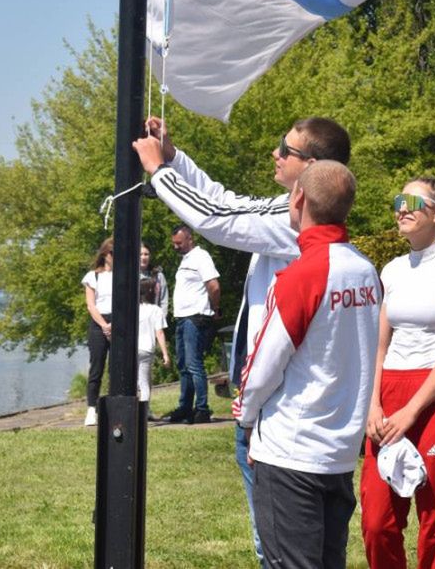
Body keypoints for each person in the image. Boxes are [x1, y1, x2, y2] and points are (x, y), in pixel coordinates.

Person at [132, 115, 350, 567]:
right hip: (290, 416)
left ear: (310, 167)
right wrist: (173, 155)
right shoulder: (298, 215)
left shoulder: (294, 223)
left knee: (277, 547)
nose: (275, 154)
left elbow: (215, 218)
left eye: (284, 149)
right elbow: (224, 201)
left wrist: (160, 172)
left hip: (276, 416)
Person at [233, 161, 381, 569]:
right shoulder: (366, 270)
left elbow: (263, 364)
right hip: (338, 450)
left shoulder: (302, 274)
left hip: (291, 451)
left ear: (298, 199)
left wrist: (245, 419)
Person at [361, 177, 435, 569]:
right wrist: (373, 405)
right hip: (387, 398)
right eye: (398, 200)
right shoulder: (391, 270)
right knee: (377, 522)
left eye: (412, 201)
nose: (401, 208)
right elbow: (378, 346)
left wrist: (411, 411)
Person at [168, 224, 221, 424]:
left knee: (193, 364)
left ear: (190, 239)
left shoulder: (201, 257)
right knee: (183, 365)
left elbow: (214, 286)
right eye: (174, 243)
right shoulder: (185, 261)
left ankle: (202, 409)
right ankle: (185, 407)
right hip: (182, 318)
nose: (175, 247)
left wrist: (215, 309)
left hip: (195, 317)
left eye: (179, 243)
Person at [81, 237, 114, 427]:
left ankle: (110, 405)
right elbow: (91, 305)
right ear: (105, 254)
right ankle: (91, 408)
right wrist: (103, 324)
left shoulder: (123, 275)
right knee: (96, 367)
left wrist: (114, 323)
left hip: (117, 321)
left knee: (116, 367)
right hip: (98, 322)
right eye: (112, 254)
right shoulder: (93, 276)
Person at [138, 277, 170, 407]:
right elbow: (159, 333)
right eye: (156, 287)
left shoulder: (134, 309)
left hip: (132, 349)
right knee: (145, 383)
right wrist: (165, 354)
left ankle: (135, 411)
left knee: (137, 382)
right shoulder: (156, 310)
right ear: (150, 290)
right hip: (146, 349)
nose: (158, 289)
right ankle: (143, 414)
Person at [140, 242, 169, 321]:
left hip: (154, 318)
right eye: (140, 254)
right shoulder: (130, 276)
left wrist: (162, 319)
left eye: (146, 254)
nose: (143, 257)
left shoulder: (158, 276)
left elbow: (163, 300)